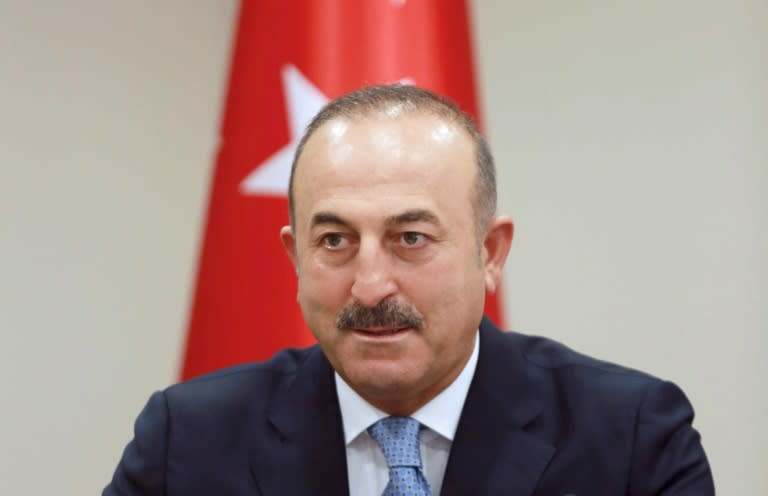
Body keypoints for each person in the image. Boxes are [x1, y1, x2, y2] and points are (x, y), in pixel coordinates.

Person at [103, 85, 714, 495]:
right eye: (336, 241)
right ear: (295, 258)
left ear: (490, 253)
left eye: (411, 238)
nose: (369, 288)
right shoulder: (185, 443)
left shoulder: (633, 439)